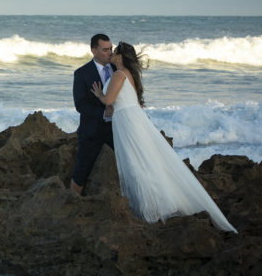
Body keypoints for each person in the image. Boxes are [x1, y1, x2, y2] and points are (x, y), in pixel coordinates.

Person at [91, 41, 237, 233]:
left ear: (121, 57)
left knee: (136, 163)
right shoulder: (128, 75)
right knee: (145, 161)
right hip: (131, 119)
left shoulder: (119, 74)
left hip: (128, 121)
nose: (111, 53)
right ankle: (156, 203)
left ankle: (151, 208)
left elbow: (109, 100)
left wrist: (99, 94)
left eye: (115, 51)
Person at [71, 34, 115, 196]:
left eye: (111, 48)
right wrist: (102, 113)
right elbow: (80, 104)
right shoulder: (82, 73)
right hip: (92, 130)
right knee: (81, 172)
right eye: (105, 49)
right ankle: (73, 204)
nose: (109, 52)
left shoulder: (118, 69)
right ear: (93, 50)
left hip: (118, 128)